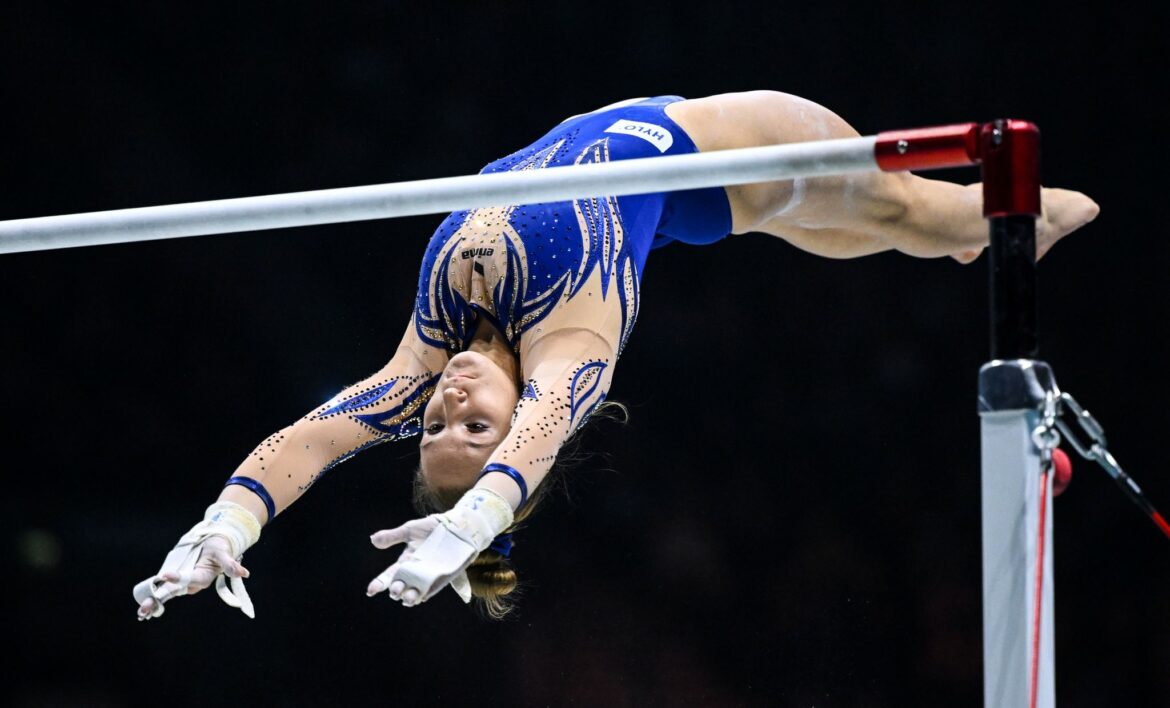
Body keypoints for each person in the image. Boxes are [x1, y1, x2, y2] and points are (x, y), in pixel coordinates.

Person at [133, 90, 1100, 620]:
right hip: (723, 149)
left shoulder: (425, 357)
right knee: (907, 209)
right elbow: (540, 433)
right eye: (478, 427)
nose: (453, 398)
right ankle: (1012, 217)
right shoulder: (574, 350)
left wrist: (225, 527)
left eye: (437, 423)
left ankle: (987, 228)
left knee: (888, 222)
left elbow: (309, 441)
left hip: (680, 192)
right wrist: (475, 521)